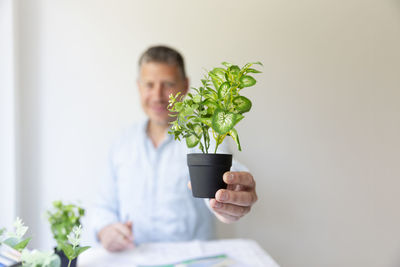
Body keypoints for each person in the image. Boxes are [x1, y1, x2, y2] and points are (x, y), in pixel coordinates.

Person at [93, 45, 258, 252]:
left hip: (192, 261)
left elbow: (224, 181)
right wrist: (106, 230)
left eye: (168, 84)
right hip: (132, 257)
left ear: (186, 85)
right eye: (149, 85)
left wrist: (231, 199)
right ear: (138, 86)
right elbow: (103, 207)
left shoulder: (207, 137)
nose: (158, 95)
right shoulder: (122, 143)